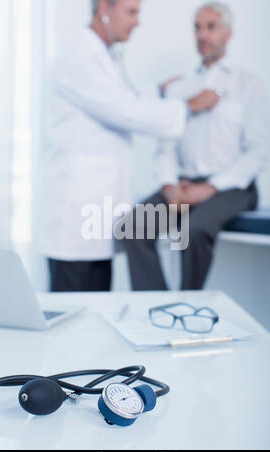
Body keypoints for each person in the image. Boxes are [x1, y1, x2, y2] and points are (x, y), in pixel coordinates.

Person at [40, 0, 219, 293]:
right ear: (104, 10)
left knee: (94, 314)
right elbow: (124, 110)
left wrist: (158, 91)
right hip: (74, 217)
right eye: (131, 12)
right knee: (71, 316)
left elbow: (119, 98)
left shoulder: (101, 56)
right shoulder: (79, 57)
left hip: (95, 212)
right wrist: (187, 107)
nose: (137, 22)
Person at [122, 2, 269, 291]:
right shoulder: (180, 88)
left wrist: (209, 188)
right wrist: (169, 188)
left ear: (228, 33)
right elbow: (165, 148)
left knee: (194, 230)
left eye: (211, 27)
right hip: (184, 187)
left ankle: (188, 308)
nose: (203, 35)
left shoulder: (249, 87)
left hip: (231, 188)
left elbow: (257, 153)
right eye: (197, 27)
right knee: (133, 226)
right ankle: (158, 307)